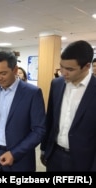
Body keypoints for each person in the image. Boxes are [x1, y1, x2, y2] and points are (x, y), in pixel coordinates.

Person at [40, 40, 96, 171]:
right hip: (55, 155)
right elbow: (50, 120)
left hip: (84, 161)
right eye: (62, 67)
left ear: (87, 66)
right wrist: (44, 149)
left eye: (70, 69)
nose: (63, 72)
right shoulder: (57, 84)